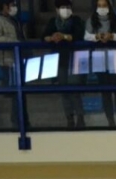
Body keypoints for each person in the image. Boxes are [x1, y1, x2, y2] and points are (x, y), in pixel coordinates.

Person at [42, 0, 86, 129]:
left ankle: (80, 117)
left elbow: (79, 35)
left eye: (67, 7)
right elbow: (44, 36)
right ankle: (69, 118)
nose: (65, 9)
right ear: (57, 9)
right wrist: (51, 37)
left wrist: (65, 37)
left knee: (74, 91)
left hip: (74, 60)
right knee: (64, 91)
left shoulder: (77, 20)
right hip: (59, 61)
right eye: (62, 7)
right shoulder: (52, 22)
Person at [85, 0, 116, 128]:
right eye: (99, 6)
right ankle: (110, 121)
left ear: (109, 6)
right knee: (106, 93)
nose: (102, 8)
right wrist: (97, 37)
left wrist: (112, 37)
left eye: (104, 5)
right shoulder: (91, 21)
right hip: (100, 59)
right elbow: (87, 36)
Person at [0, 0, 27, 127]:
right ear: (5, 6)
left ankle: (22, 119)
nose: (14, 7)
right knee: (15, 92)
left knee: (22, 92)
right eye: (12, 5)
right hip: (7, 61)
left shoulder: (13, 19)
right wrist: (16, 42)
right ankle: (17, 121)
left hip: (18, 59)